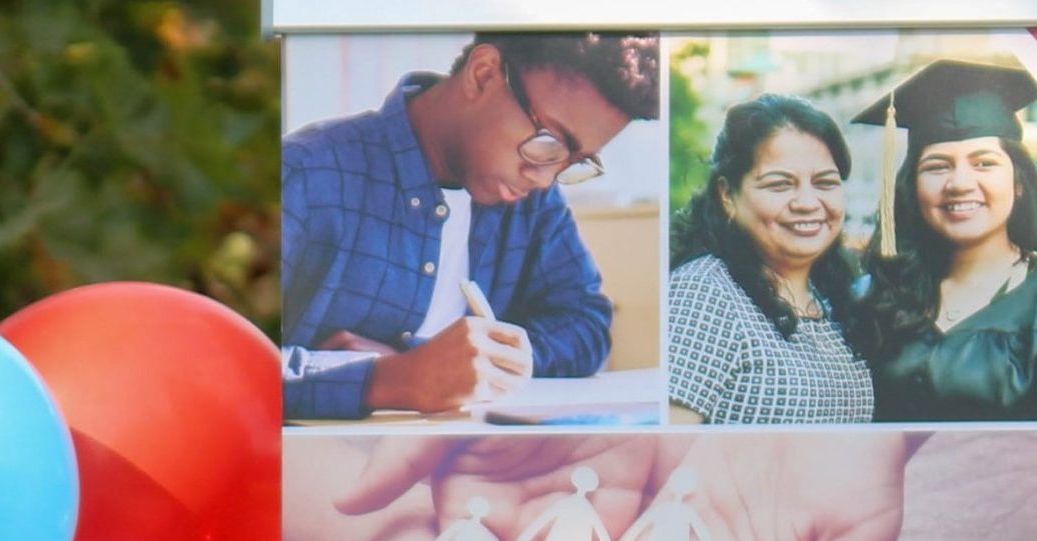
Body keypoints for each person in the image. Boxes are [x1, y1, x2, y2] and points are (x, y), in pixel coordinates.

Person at [281, 32, 659, 420]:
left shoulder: (531, 201)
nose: (545, 179)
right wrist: (387, 380)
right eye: (549, 142)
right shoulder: (305, 175)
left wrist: (454, 363)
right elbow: (228, 362)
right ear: (483, 74)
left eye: (574, 161)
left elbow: (587, 324)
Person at [854, 58, 1037, 423]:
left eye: (984, 163)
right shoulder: (875, 301)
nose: (959, 182)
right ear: (912, 187)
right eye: (937, 166)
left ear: (1019, 183)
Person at [665, 96, 874, 425]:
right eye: (779, 185)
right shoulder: (703, 294)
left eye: (825, 183)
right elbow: (668, 451)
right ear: (727, 195)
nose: (807, 203)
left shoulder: (833, 297)